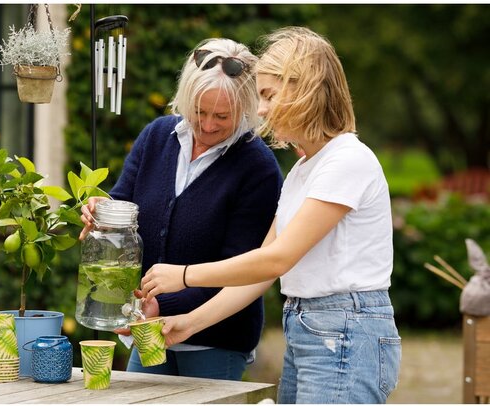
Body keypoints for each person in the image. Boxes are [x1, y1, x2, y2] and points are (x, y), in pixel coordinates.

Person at [141, 27, 402, 403]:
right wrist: (188, 324)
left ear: (304, 89)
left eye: (268, 95)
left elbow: (278, 258)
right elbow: (262, 272)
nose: (260, 110)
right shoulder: (303, 171)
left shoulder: (348, 159)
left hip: (344, 330)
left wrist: (183, 275)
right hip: (311, 330)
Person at [79, 37, 283, 380]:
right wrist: (102, 210)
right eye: (199, 111)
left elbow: (240, 268)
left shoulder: (257, 168)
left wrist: (165, 305)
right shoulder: (157, 136)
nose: (207, 125)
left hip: (216, 342)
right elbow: (123, 201)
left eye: (222, 116)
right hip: (149, 330)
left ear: (246, 109)